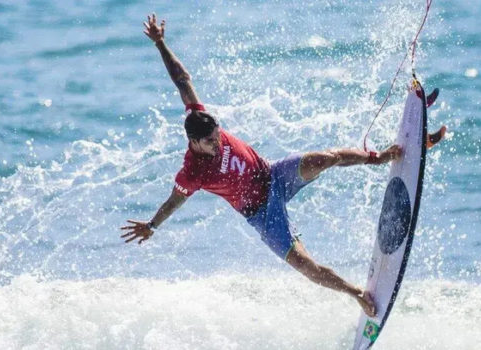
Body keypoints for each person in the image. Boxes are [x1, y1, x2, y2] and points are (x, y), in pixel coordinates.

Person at [120, 14, 440, 317]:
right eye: (212, 143)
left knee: (325, 158)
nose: (219, 144)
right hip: (262, 214)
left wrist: (160, 43)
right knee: (305, 265)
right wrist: (152, 225)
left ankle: (380, 158)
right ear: (194, 144)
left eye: (219, 137)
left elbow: (181, 79)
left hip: (274, 174)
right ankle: (356, 294)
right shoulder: (192, 172)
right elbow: (174, 201)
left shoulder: (197, 115)